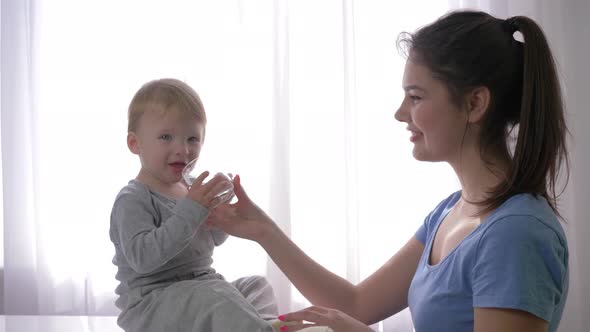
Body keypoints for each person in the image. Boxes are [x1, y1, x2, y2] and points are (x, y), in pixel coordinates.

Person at [208, 10, 570, 332]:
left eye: (416, 97)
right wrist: (263, 230)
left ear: (475, 103)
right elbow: (356, 304)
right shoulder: (450, 212)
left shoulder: (516, 233)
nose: (401, 113)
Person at [109, 78, 280, 332]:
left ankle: (263, 326)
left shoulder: (190, 189)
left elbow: (212, 241)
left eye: (192, 139)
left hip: (202, 287)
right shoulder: (133, 198)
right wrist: (191, 210)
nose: (182, 149)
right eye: (166, 137)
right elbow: (142, 259)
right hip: (152, 303)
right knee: (217, 298)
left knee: (255, 286)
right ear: (135, 144)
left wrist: (221, 211)